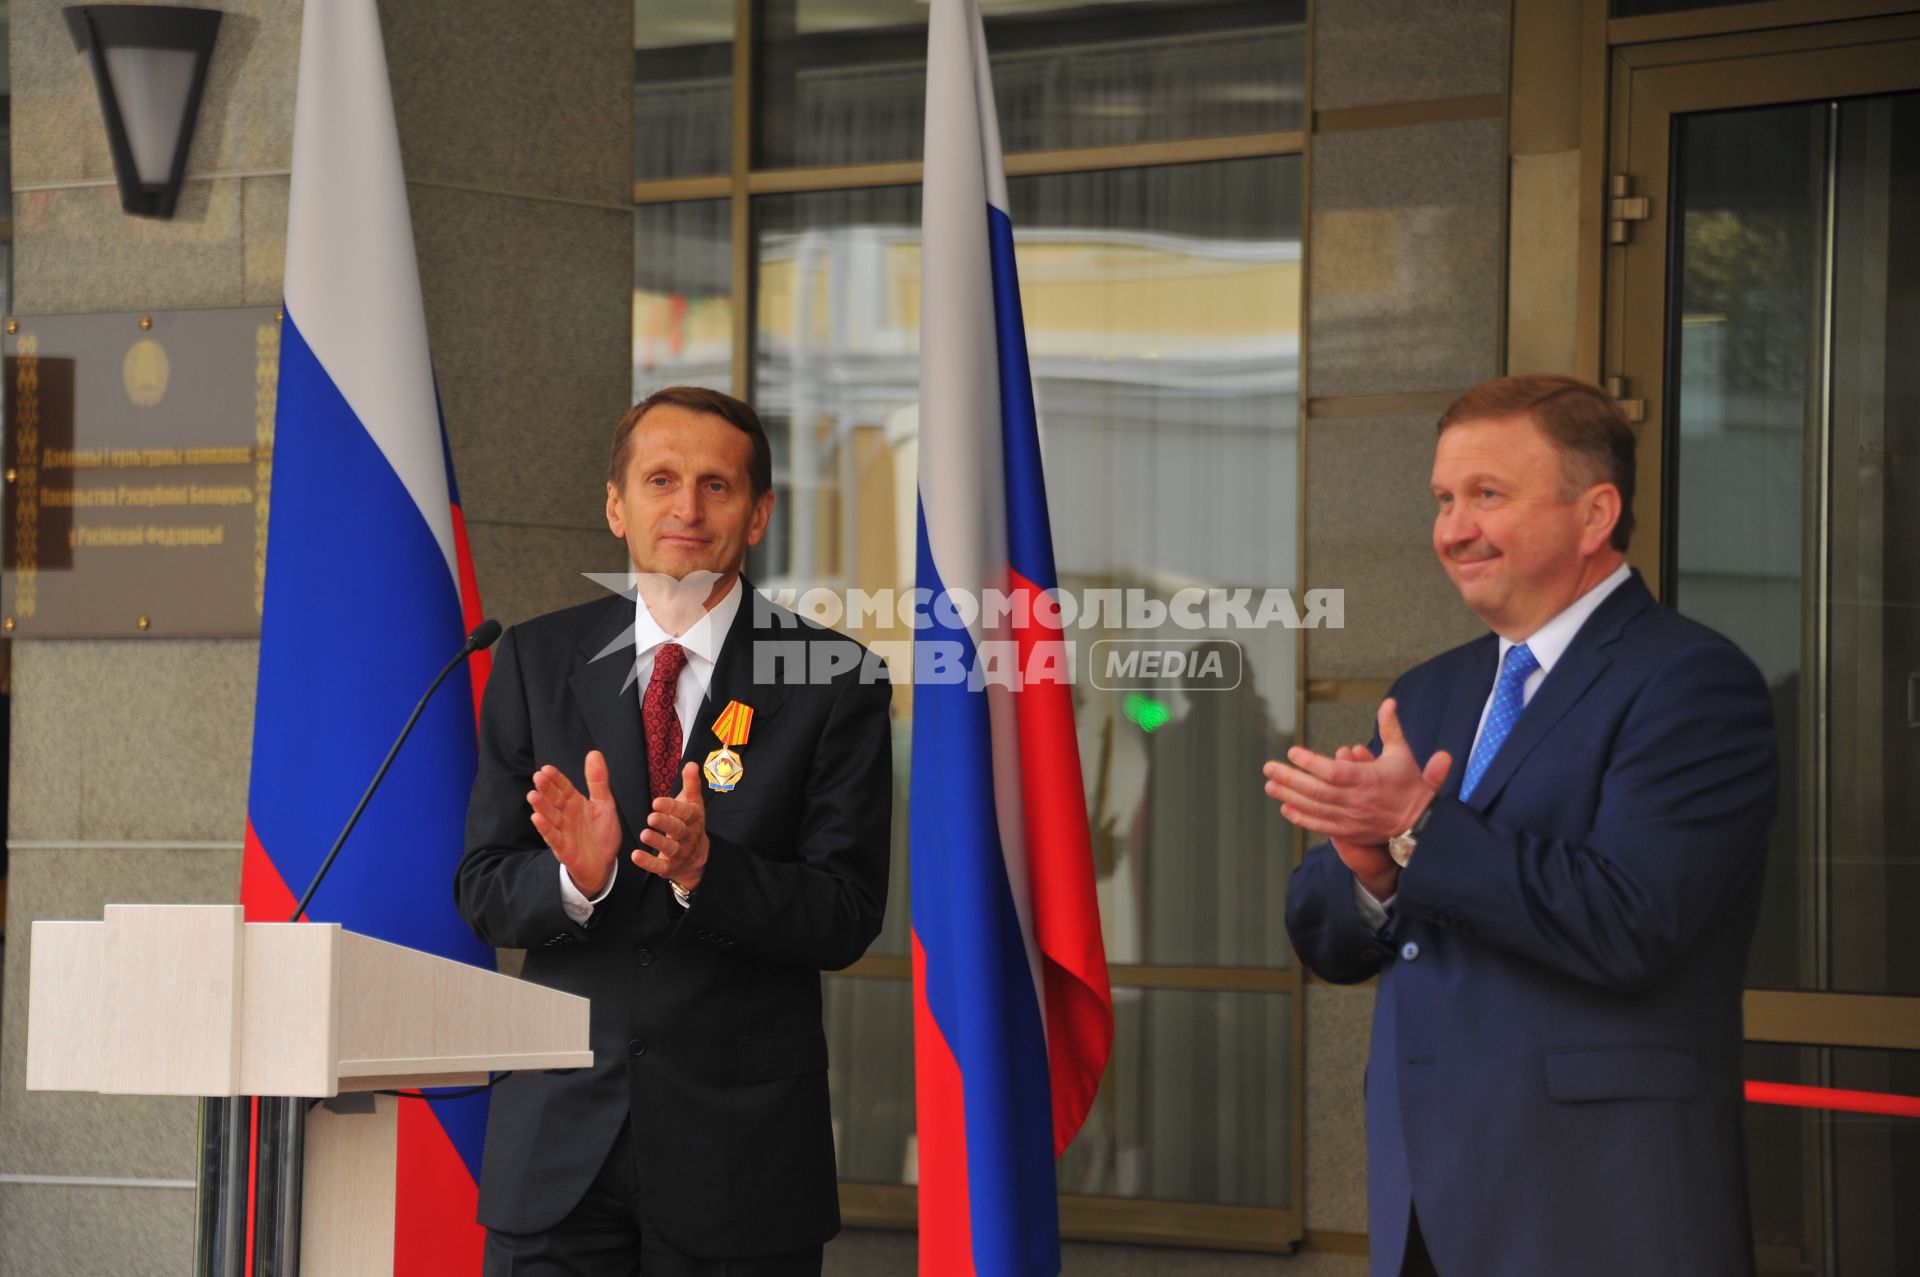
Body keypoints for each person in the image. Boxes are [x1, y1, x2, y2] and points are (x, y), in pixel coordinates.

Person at [1268, 375, 1776, 1277]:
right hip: (1425, 1203)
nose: (1453, 528)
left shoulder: (1694, 682)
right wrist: (1369, 872)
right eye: (1444, 499)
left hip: (1596, 1210)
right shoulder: (1427, 689)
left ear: (1595, 513)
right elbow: (1333, 944)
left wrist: (1417, 830)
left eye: (1487, 495)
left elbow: (1632, 922)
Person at [456, 386, 892, 1276]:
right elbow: (483, 884)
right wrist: (577, 881)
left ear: (759, 512)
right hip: (557, 1156)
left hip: (743, 1160)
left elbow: (847, 911)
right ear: (616, 505)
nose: (686, 508)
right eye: (660, 480)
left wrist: (706, 872)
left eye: (716, 486)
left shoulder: (835, 679)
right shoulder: (534, 661)